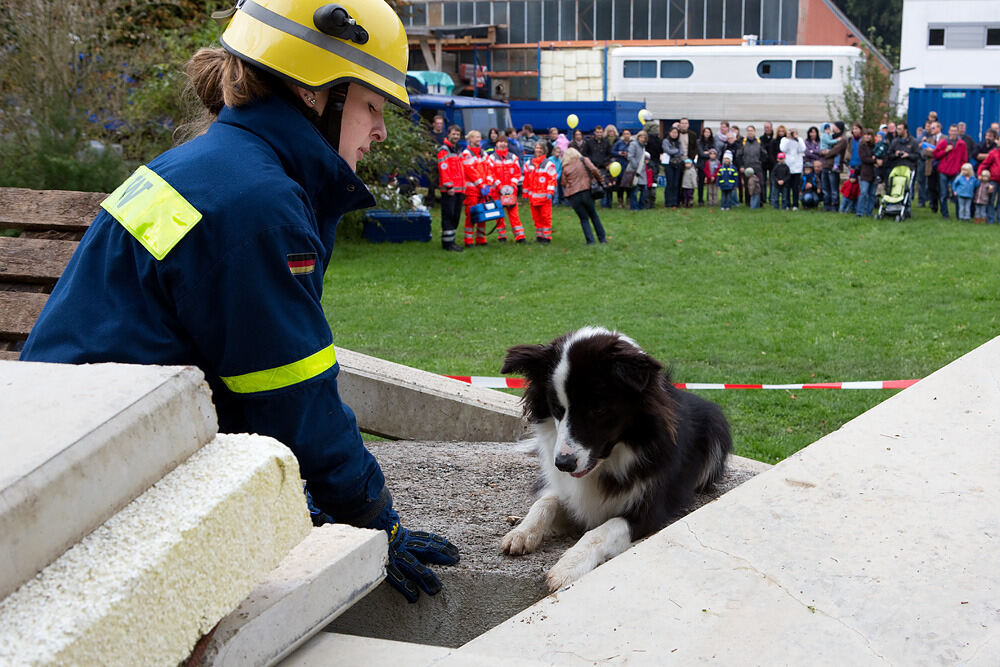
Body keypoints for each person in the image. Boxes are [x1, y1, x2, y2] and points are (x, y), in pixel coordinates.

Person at [18, 0, 459, 604]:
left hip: (73, 453)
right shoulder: (256, 204)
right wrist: (373, 518)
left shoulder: (209, 168)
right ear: (315, 93)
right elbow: (292, 395)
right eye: (372, 106)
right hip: (91, 493)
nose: (380, 131)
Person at [560, 147, 607, 244]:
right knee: (593, 215)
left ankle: (590, 240)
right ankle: (602, 238)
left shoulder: (565, 167)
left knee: (583, 218)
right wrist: (600, 180)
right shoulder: (584, 160)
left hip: (573, 195)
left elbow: (564, 183)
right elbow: (594, 169)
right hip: (586, 191)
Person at [487, 135, 526, 242]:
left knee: (514, 214)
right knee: (499, 215)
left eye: (504, 142)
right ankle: (502, 236)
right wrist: (500, 186)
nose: (503, 144)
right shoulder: (491, 158)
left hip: (511, 191)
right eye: (500, 142)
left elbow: (517, 173)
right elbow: (490, 173)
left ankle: (520, 237)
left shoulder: (513, 157)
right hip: (497, 192)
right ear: (496, 143)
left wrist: (512, 185)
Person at [436, 124, 465, 251]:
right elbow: (444, 169)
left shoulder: (457, 150)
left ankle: (451, 241)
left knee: (455, 216)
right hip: (450, 190)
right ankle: (447, 244)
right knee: (448, 215)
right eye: (453, 134)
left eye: (458, 134)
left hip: (460, 189)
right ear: (448, 134)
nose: (456, 136)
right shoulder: (444, 150)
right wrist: (449, 186)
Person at [460, 129, 492, 246]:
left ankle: (481, 239)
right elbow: (470, 171)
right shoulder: (466, 154)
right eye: (475, 137)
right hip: (472, 190)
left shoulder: (483, 153)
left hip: (483, 189)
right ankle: (468, 240)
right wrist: (481, 185)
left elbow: (489, 168)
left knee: (482, 214)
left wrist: (487, 183)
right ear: (470, 139)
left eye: (479, 137)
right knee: (471, 214)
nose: (478, 139)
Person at [933, 123, 968, 219]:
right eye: (951, 131)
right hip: (943, 170)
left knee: (956, 193)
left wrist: (961, 169)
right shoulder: (944, 142)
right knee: (943, 193)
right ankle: (945, 214)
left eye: (955, 131)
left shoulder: (962, 144)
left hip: (956, 171)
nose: (953, 133)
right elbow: (935, 155)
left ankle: (958, 214)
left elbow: (964, 158)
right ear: (949, 132)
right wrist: (945, 151)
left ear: (957, 132)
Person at [523, 140, 556, 242]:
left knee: (545, 217)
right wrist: (525, 192)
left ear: (544, 150)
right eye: (537, 148)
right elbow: (526, 180)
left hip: (545, 197)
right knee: (536, 218)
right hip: (533, 197)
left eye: (540, 148)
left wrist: (550, 192)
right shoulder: (529, 163)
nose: (538, 150)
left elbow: (552, 179)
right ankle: (539, 236)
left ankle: (547, 237)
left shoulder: (548, 164)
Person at [820, 122, 849, 212]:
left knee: (833, 189)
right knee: (825, 187)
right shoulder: (830, 136)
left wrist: (826, 153)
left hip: (834, 166)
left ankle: (834, 206)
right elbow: (822, 149)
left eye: (834, 126)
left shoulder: (842, 139)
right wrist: (822, 152)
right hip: (826, 165)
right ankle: (826, 205)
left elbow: (835, 151)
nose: (832, 128)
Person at [779, 127, 806, 209]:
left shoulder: (799, 140)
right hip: (787, 167)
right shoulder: (784, 140)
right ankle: (787, 203)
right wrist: (788, 139)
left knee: (795, 187)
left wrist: (796, 139)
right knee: (787, 186)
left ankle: (795, 204)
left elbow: (803, 149)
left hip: (797, 167)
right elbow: (783, 149)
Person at [856, 128, 877, 218]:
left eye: (869, 135)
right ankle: (860, 212)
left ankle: (869, 212)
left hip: (874, 173)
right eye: (865, 134)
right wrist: (874, 160)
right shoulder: (862, 146)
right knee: (864, 192)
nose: (867, 136)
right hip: (865, 172)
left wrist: (875, 159)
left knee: (872, 194)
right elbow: (864, 158)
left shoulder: (875, 146)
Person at [661, 126, 683, 208]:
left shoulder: (679, 142)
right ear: (670, 133)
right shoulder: (666, 141)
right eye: (673, 132)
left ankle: (675, 202)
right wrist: (676, 151)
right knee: (670, 183)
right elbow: (667, 150)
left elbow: (682, 152)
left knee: (676, 183)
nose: (674, 134)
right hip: (668, 164)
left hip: (678, 163)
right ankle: (668, 202)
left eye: (676, 133)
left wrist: (674, 152)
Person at [626, 130, 648, 210]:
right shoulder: (633, 144)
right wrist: (635, 165)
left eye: (644, 137)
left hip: (642, 170)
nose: (642, 139)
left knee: (644, 190)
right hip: (634, 170)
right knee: (634, 190)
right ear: (638, 137)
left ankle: (642, 206)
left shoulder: (644, 146)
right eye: (641, 137)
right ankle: (634, 207)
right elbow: (630, 156)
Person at [611, 128, 630, 208]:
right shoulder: (619, 143)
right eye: (625, 134)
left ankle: (628, 201)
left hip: (629, 166)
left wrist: (628, 154)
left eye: (628, 134)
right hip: (620, 166)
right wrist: (619, 153)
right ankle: (620, 201)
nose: (626, 135)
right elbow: (612, 151)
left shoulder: (633, 143)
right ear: (622, 135)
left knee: (628, 186)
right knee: (620, 186)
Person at [696, 126, 715, 205]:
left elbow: (714, 153)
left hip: (710, 165)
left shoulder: (712, 142)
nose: (707, 133)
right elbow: (701, 153)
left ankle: (709, 199)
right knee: (701, 183)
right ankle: (700, 200)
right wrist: (708, 153)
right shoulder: (699, 141)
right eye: (705, 132)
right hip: (701, 165)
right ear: (703, 133)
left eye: (708, 132)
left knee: (710, 182)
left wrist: (707, 153)